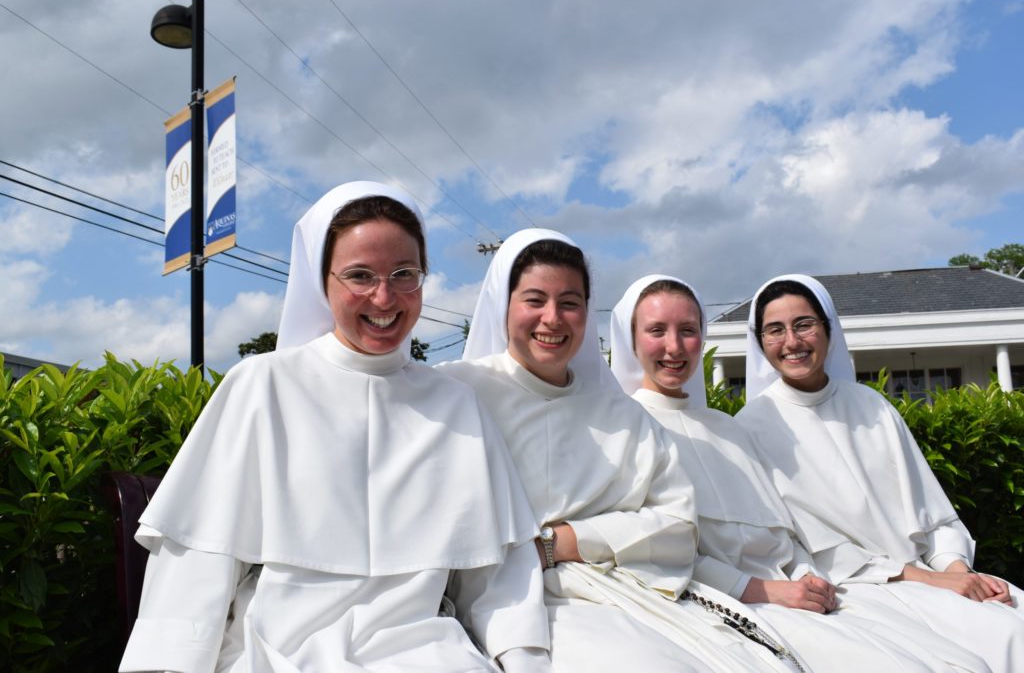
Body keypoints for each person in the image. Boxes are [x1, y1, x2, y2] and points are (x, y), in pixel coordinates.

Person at [119, 181, 550, 672]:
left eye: (404, 274)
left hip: (426, 648)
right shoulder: (262, 385)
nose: (384, 297)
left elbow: (497, 577)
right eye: (360, 275)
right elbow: (199, 555)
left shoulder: (456, 405)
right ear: (321, 281)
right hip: (278, 647)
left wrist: (524, 660)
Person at [438, 229, 806, 673]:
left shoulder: (622, 414)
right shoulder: (457, 393)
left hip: (630, 592)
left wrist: (561, 542)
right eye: (535, 300)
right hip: (518, 604)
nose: (552, 319)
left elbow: (678, 524)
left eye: (569, 303)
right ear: (505, 305)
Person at [610, 274, 988, 673]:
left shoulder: (727, 428)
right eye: (656, 331)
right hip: (736, 602)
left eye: (688, 330)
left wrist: (806, 575)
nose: (674, 346)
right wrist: (767, 590)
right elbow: (654, 550)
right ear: (630, 339)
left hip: (802, 593)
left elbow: (786, 534)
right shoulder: (625, 429)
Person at [737, 273, 1024, 673]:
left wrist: (958, 570)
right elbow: (793, 548)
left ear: (828, 329)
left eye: (803, 324)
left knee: (1012, 619)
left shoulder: (872, 405)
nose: (792, 341)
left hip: (930, 577)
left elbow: (933, 515)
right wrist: (927, 581)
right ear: (760, 341)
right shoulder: (750, 427)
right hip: (851, 589)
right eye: (775, 330)